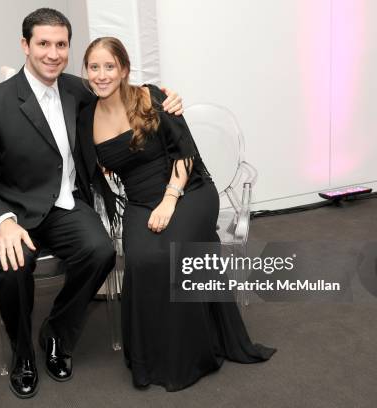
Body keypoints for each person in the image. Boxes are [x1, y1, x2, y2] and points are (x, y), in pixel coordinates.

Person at [0, 9, 183, 399]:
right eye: (43, 43)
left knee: (99, 253)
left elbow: (119, 87)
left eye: (61, 44)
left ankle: (56, 333)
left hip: (65, 206)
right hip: (15, 213)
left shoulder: (78, 90)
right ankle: (23, 353)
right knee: (12, 269)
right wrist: (4, 223)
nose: (53, 53)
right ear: (25, 45)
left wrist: (164, 96)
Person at [78, 37, 276, 392]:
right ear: (86, 71)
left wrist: (170, 200)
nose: (102, 74)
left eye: (110, 66)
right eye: (94, 67)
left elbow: (185, 153)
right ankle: (151, 357)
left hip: (189, 190)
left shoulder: (152, 96)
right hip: (140, 203)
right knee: (142, 260)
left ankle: (192, 355)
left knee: (171, 254)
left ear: (124, 69)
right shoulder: (85, 118)